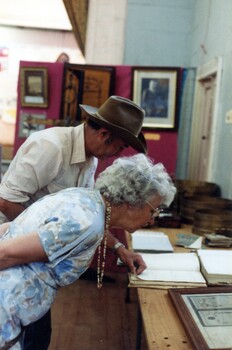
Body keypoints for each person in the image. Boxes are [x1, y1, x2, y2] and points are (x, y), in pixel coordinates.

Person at [0, 95, 147, 349]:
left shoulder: (91, 160)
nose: (118, 153)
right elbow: (4, 201)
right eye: (121, 147)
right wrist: (49, 239)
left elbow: (86, 216)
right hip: (13, 255)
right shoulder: (50, 146)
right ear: (104, 135)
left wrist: (118, 248)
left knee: (35, 336)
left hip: (38, 261)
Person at [0, 153, 176, 349]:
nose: (153, 218)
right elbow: (4, 254)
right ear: (132, 202)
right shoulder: (87, 223)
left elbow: (13, 228)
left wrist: (118, 247)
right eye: (153, 210)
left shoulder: (83, 198)